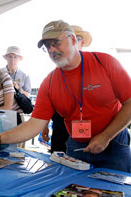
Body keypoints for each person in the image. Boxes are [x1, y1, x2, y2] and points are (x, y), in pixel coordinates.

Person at [0, 20, 131, 173]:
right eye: (47, 46)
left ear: (73, 40)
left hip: (114, 142)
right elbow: (34, 125)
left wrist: (105, 136)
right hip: (77, 147)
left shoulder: (105, 62)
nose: (52, 50)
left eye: (56, 43)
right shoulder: (49, 83)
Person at [41, 25, 92, 153]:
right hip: (60, 126)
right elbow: (47, 104)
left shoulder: (96, 67)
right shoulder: (54, 76)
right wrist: (44, 126)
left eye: (78, 38)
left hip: (86, 131)